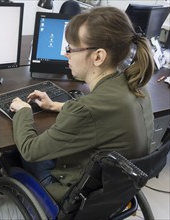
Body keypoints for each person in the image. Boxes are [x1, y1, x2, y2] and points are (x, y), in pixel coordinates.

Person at [9, 6, 155, 203]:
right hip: (112, 191)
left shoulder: (87, 109)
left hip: (72, 194)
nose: (65, 53)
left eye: (71, 48)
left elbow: (30, 149)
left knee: (12, 151)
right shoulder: (136, 84)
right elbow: (101, 118)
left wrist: (24, 111)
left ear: (98, 57)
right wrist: (54, 106)